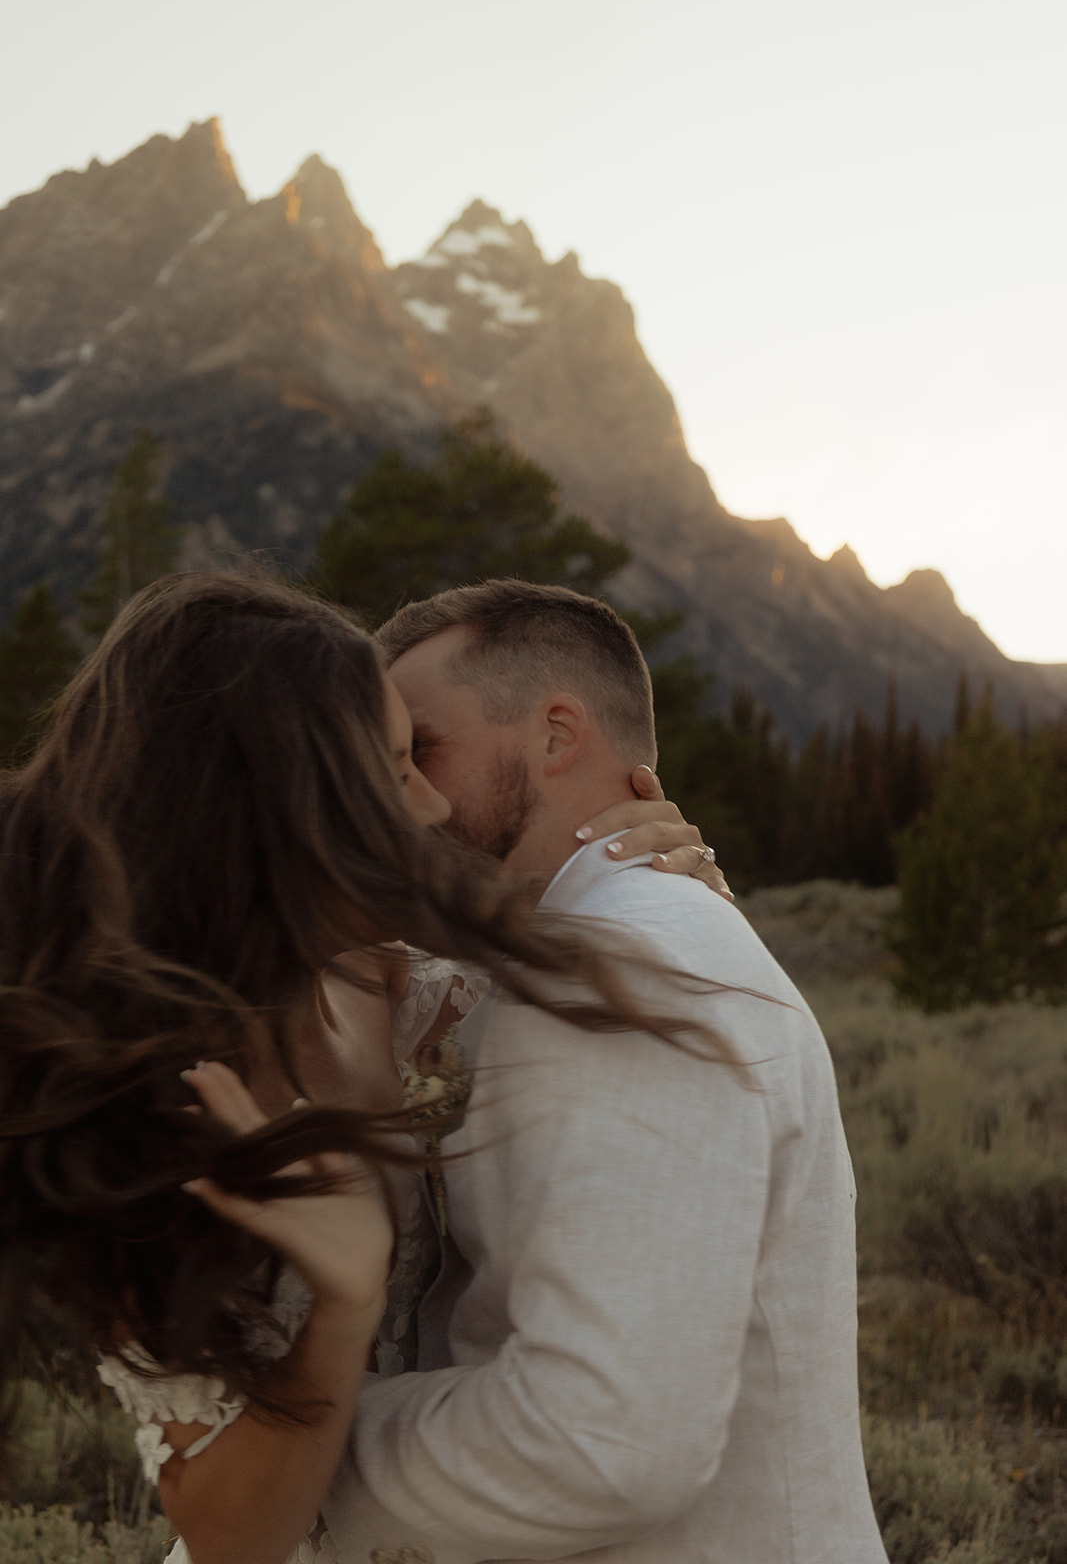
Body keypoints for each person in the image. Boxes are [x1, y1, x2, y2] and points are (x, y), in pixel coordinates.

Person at [0, 570, 723, 1564]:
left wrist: (674, 897)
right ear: (274, 812)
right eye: (394, 770)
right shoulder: (152, 1098)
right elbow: (223, 1529)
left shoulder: (390, 984)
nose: (429, 806)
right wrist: (340, 1304)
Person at [311, 580, 889, 1564]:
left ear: (555, 734)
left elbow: (602, 1441)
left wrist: (284, 1466)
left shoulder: (621, 967)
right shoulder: (596, 947)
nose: (404, 797)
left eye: (424, 747)